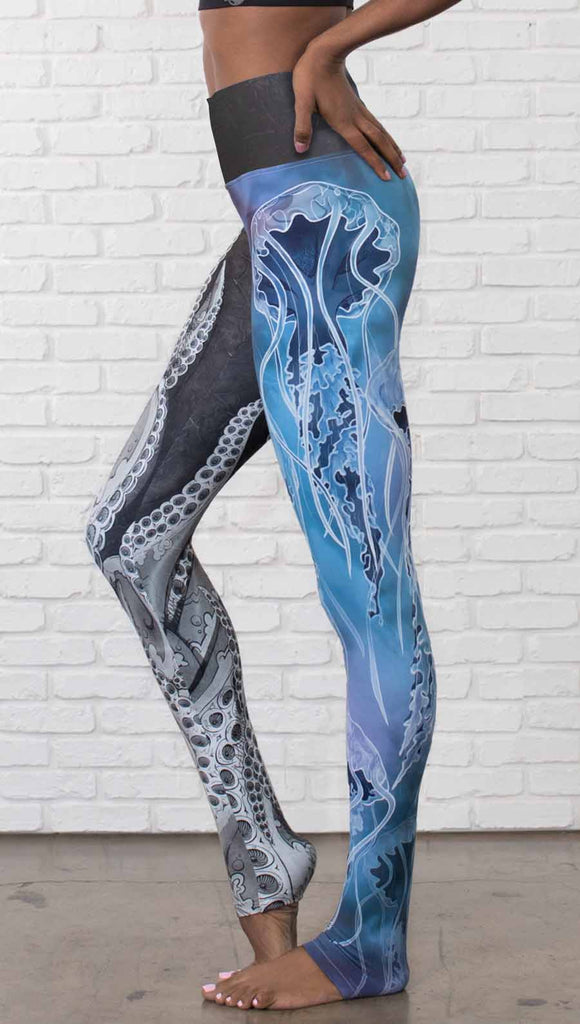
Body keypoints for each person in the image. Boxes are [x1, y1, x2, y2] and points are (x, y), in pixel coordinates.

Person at [85, 0, 461, 1010]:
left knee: (369, 590)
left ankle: (370, 939)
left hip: (330, 225)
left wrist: (334, 45)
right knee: (129, 539)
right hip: (280, 224)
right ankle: (264, 855)